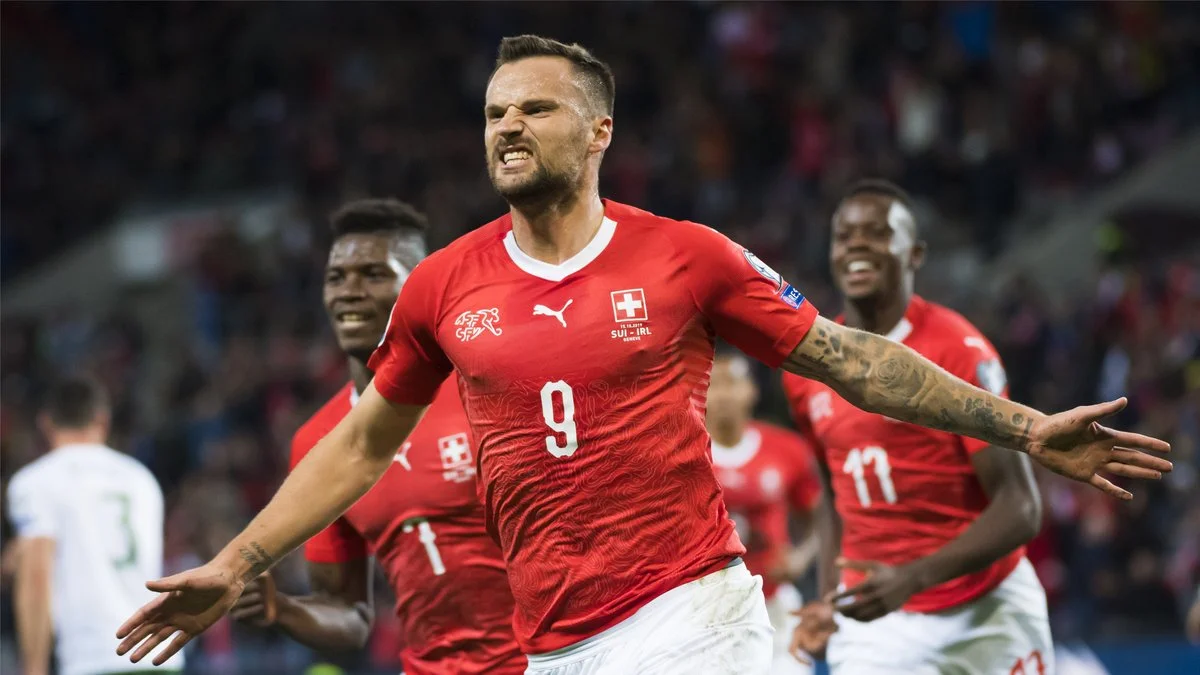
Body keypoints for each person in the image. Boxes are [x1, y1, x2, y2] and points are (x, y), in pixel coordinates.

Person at [116, 36, 1171, 675]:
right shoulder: (442, 284)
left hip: (690, 613)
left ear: (599, 132)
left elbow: (848, 357)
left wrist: (1028, 426)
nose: (508, 126)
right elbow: (357, 449)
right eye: (494, 113)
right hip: (551, 644)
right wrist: (236, 563)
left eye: (535, 108)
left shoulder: (685, 256)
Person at [227, 199, 525, 674]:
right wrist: (281, 609)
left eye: (372, 274)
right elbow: (349, 614)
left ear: (421, 284)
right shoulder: (319, 441)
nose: (349, 292)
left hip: (548, 660)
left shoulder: (487, 387)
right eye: (336, 278)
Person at [783, 180, 1051, 673]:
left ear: (915, 254)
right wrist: (827, 597)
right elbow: (832, 493)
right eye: (844, 236)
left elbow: (1022, 507)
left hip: (988, 608)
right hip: (877, 622)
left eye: (877, 233)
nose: (857, 245)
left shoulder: (959, 352)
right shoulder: (807, 365)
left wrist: (914, 577)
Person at [8, 376, 183, 675]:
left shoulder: (36, 482)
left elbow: (37, 576)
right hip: (158, 654)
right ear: (102, 419)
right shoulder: (140, 478)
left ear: (45, 423)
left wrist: (34, 667)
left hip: (92, 657)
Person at [706, 348, 821, 675]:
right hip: (708, 607)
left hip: (773, 602)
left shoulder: (786, 448)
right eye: (714, 384)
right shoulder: (683, 454)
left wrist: (801, 558)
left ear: (752, 389)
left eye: (732, 382)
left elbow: (820, 516)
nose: (724, 394)